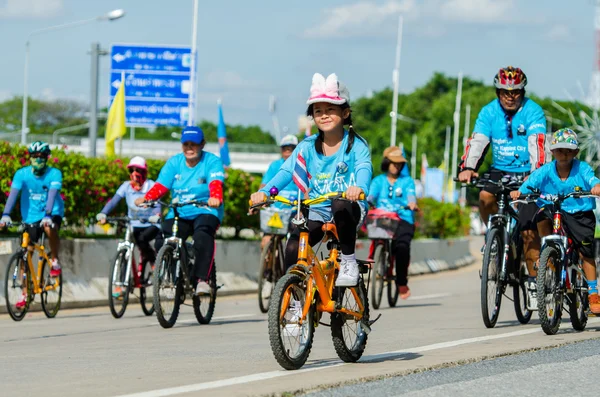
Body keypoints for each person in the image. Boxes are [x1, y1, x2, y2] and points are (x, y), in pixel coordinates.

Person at [250, 72, 372, 287]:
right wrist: (266, 192)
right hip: (318, 208)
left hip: (349, 208)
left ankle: (349, 261)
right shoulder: (306, 146)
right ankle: (293, 298)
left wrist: (359, 188)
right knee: (293, 244)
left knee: (340, 203)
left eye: (330, 110)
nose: (323, 115)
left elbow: (364, 168)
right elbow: (287, 172)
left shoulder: (357, 145)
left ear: (345, 113)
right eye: (318, 111)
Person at [458, 66, 548, 310]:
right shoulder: (488, 112)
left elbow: (537, 145)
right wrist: (467, 167)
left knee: (529, 232)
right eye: (505, 92)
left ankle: (532, 283)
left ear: (522, 92)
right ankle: (494, 237)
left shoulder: (533, 111)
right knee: (485, 195)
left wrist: (536, 174)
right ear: (498, 91)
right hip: (501, 170)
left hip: (528, 171)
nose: (510, 97)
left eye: (516, 92)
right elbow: (477, 141)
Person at [510, 129, 600, 314]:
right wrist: (519, 192)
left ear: (576, 152)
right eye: (559, 150)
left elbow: (592, 179)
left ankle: (593, 292)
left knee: (585, 253)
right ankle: (548, 251)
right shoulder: (545, 171)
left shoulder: (582, 168)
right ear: (552, 152)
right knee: (541, 215)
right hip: (553, 209)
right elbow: (530, 184)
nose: (564, 154)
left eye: (568, 150)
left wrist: (596, 186)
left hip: (579, 213)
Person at [134, 126, 225, 294]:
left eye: (194, 144)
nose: (189, 148)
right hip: (180, 211)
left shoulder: (212, 161)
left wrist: (215, 197)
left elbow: (215, 183)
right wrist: (147, 198)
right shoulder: (174, 162)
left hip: (206, 210)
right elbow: (161, 185)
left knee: (202, 236)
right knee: (163, 239)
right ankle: (172, 276)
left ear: (202, 144)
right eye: (186, 144)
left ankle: (201, 280)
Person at [0, 141, 65, 308]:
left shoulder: (54, 174)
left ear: (47, 158)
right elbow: (13, 195)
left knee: (48, 227)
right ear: (30, 158)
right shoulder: (22, 174)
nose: (39, 160)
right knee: (25, 252)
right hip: (30, 217)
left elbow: (52, 194)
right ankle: (25, 292)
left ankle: (55, 260)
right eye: (35, 157)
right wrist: (5, 215)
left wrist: (48, 214)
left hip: (52, 212)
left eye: (42, 157)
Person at [367, 146, 418, 299]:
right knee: (376, 234)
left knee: (402, 247)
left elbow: (411, 195)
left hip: (403, 218)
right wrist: (367, 200)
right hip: (383, 218)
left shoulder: (407, 181)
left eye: (399, 163)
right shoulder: (378, 180)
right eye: (393, 163)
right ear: (386, 163)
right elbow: (371, 195)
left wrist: (412, 203)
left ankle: (401, 282)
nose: (396, 166)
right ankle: (378, 261)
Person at [96, 156, 163, 267]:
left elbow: (157, 205)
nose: (134, 173)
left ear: (144, 172)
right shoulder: (126, 186)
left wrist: (156, 215)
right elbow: (113, 201)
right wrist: (103, 213)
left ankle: (153, 262)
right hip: (133, 224)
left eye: (138, 170)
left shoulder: (151, 186)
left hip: (150, 223)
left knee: (143, 240)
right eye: (131, 170)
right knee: (130, 242)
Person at [259, 134, 299, 249]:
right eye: (285, 148)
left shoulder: (301, 166)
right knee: (266, 241)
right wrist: (259, 197)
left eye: (291, 149)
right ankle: (267, 263)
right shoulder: (275, 165)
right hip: (275, 211)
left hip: (293, 211)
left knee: (293, 244)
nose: (288, 152)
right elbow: (264, 184)